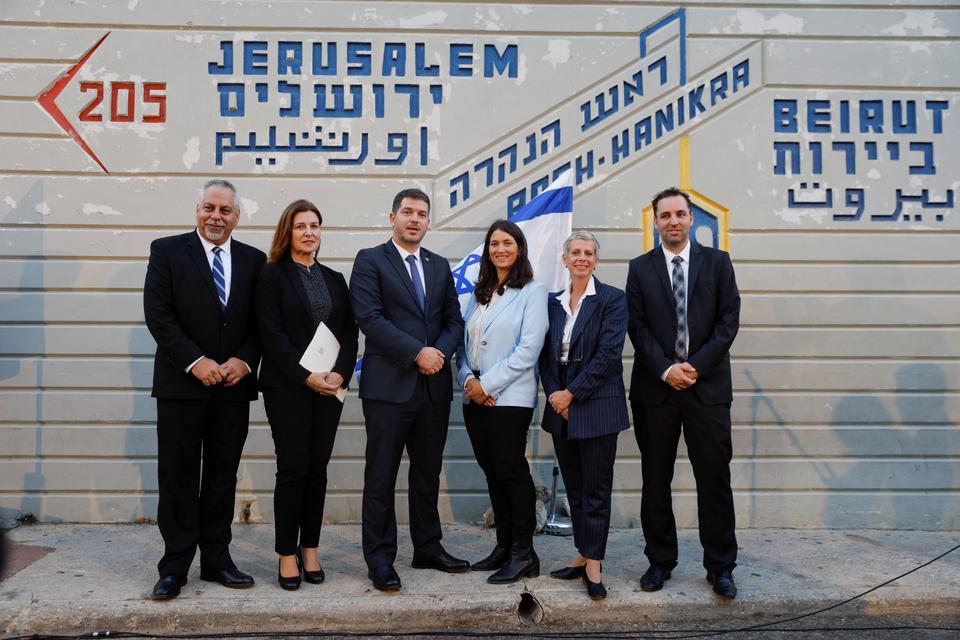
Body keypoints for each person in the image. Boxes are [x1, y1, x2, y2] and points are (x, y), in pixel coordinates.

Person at [143, 179, 266, 600]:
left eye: (225, 210)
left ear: (237, 216)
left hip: (232, 389)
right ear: (197, 209)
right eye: (209, 208)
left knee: (221, 477)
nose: (216, 216)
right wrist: (197, 362)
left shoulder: (254, 260)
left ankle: (217, 561)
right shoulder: (167, 251)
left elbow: (259, 323)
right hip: (181, 386)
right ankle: (174, 566)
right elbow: (159, 316)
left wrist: (243, 361)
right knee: (177, 477)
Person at [349, 188, 468, 592]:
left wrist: (439, 353)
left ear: (428, 221)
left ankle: (428, 547)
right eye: (407, 212)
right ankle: (380, 559)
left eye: (421, 214)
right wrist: (417, 353)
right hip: (389, 388)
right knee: (380, 475)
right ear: (392, 217)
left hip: (433, 389)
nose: (415, 219)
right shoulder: (370, 260)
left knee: (426, 474)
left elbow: (454, 319)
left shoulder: (438, 265)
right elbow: (369, 317)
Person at [625, 187, 741, 599]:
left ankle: (721, 566)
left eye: (679, 214)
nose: (672, 221)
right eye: (664, 215)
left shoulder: (717, 262)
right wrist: (666, 369)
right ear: (655, 222)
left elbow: (729, 321)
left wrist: (696, 366)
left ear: (691, 219)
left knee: (714, 479)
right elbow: (636, 327)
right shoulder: (640, 269)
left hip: (706, 389)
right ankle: (659, 561)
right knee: (656, 479)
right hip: (655, 392)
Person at [256, 199, 359, 591]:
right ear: (288, 231)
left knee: (318, 471)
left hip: (330, 388)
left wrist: (340, 373)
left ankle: (310, 549)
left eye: (315, 225)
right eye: (301, 226)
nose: (309, 232)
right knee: (294, 469)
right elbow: (272, 336)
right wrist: (306, 377)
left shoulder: (334, 278)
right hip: (288, 388)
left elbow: (349, 332)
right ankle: (286, 554)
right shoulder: (272, 275)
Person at [455, 220, 548, 584]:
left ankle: (525, 554)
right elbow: (463, 347)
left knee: (511, 471)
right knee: (492, 471)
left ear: (520, 248)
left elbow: (528, 350)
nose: (500, 249)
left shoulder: (533, 291)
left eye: (507, 243)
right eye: (494, 243)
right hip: (474, 397)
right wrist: (467, 380)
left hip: (509, 398)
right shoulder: (480, 293)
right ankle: (504, 545)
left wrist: (488, 385)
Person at [539, 231, 629, 600]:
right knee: (575, 490)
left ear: (596, 260)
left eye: (588, 253)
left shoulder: (612, 299)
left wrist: (571, 393)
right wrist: (554, 396)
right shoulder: (551, 303)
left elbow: (609, 356)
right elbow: (544, 356)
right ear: (564, 259)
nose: (581, 258)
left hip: (597, 407)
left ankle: (594, 564)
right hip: (561, 410)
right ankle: (582, 552)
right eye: (575, 252)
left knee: (595, 490)